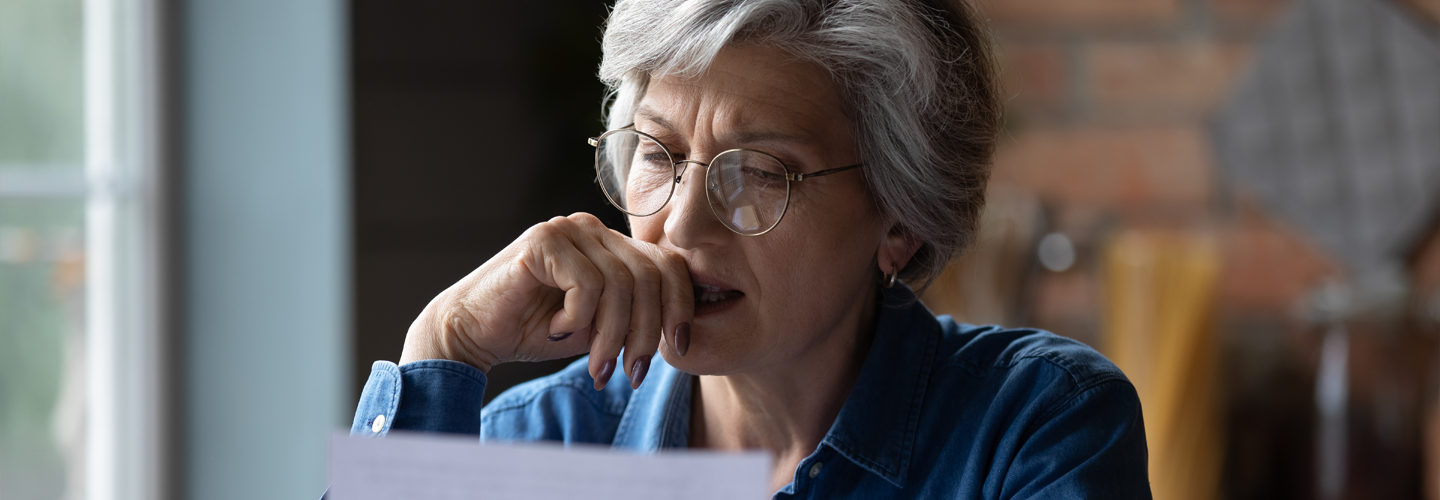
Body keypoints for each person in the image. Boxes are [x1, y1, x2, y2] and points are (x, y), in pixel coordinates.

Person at [348, 0, 1152, 497]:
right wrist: (442, 347)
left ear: (899, 219)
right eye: (659, 156)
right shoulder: (545, 439)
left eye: (761, 174)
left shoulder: (1031, 428)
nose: (683, 227)